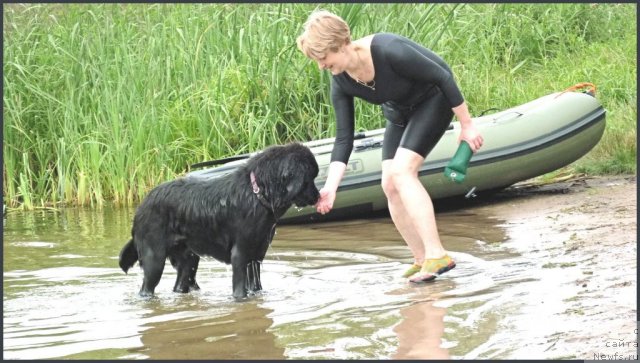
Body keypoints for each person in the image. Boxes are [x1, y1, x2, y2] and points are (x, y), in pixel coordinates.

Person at [296, 10, 483, 283]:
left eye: (323, 58)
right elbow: (343, 138)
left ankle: (437, 253)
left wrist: (467, 125)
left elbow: (443, 75)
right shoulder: (341, 81)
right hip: (398, 114)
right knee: (389, 184)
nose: (321, 66)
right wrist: (330, 188)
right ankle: (421, 259)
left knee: (403, 172)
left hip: (433, 101)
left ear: (340, 45)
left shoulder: (388, 50)